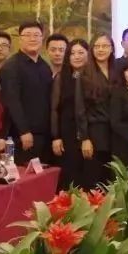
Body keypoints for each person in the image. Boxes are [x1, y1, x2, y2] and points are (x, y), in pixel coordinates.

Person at [0, 21, 53, 166]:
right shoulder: (11, 67)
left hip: (45, 136)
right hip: (22, 137)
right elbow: (12, 101)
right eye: (27, 35)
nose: (32, 39)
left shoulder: (45, 66)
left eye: (36, 35)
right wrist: (24, 131)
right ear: (20, 39)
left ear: (42, 38)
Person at [50, 39, 88, 190]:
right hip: (67, 134)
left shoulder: (93, 77)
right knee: (70, 177)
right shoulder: (61, 77)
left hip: (88, 132)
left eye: (81, 52)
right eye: (72, 53)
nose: (76, 56)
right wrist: (56, 137)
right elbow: (54, 109)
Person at [80, 34, 116, 186]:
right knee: (95, 180)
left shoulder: (118, 71)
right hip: (95, 133)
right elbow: (80, 108)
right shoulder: (84, 74)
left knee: (113, 180)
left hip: (116, 133)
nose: (101, 49)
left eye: (105, 46)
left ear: (112, 49)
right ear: (92, 49)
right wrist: (85, 138)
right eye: (97, 46)